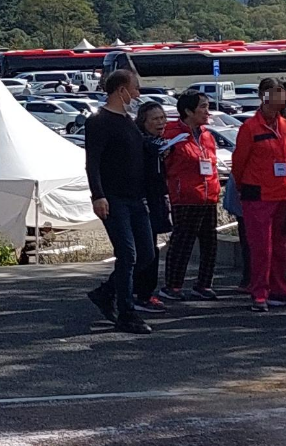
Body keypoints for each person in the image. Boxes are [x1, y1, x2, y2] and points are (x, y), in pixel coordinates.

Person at [83, 65, 153, 333]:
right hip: (114, 199)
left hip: (136, 198)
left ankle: (105, 292)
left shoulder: (128, 121)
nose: (137, 93)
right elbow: (93, 163)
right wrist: (98, 195)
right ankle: (127, 312)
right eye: (135, 88)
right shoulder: (99, 121)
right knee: (127, 253)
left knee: (146, 253)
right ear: (121, 89)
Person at [232, 79, 286, 310]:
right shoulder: (250, 127)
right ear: (263, 96)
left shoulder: (285, 125)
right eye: (275, 92)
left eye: (282, 92)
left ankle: (280, 289)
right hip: (257, 193)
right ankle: (259, 292)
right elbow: (238, 163)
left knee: (281, 246)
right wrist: (243, 186)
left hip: (282, 192)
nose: (282, 97)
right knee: (261, 247)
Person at [162, 90, 220, 299]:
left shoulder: (207, 135)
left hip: (209, 195)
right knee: (183, 241)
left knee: (209, 242)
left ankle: (204, 284)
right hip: (185, 197)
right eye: (202, 106)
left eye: (207, 106)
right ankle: (173, 285)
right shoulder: (172, 133)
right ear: (188, 111)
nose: (207, 111)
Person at [134, 101, 170, 307]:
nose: (161, 123)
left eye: (163, 118)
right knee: (144, 249)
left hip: (157, 199)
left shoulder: (159, 142)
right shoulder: (141, 143)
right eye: (155, 119)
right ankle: (140, 293)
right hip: (142, 200)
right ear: (143, 122)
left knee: (152, 246)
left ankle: (146, 292)